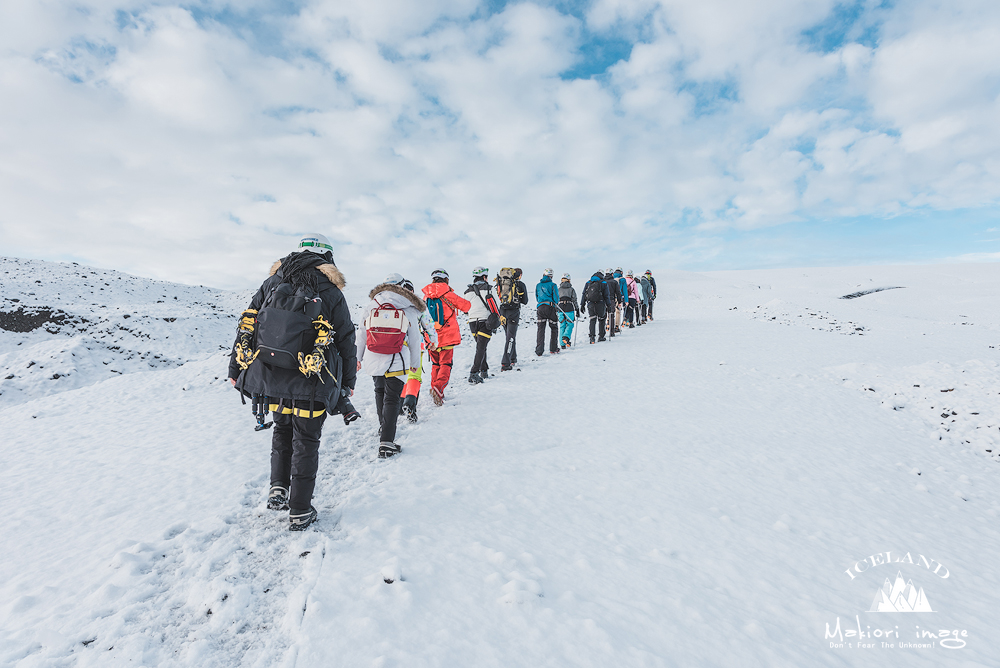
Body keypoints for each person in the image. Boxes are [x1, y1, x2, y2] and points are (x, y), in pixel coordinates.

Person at [228, 233, 357, 531]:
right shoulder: (331, 290)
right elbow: (346, 338)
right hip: (312, 379)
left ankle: (278, 488)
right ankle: (299, 510)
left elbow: (247, 322)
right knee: (307, 441)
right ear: (328, 258)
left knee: (282, 431)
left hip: (271, 376)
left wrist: (235, 368)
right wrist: (348, 380)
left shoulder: (272, 283)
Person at [357, 273, 425, 459]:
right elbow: (414, 339)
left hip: (374, 355)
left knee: (379, 391)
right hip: (398, 358)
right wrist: (414, 364)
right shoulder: (408, 307)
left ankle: (383, 428)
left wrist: (358, 357)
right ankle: (387, 443)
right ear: (402, 286)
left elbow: (362, 333)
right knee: (392, 398)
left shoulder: (372, 305)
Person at [421, 269, 471, 404]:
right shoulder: (449, 294)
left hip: (431, 336)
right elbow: (466, 306)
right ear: (446, 280)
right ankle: (438, 388)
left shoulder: (425, 296)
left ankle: (433, 387)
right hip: (447, 336)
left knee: (435, 364)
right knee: (446, 364)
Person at [398, 278, 438, 423]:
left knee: (400, 374)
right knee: (414, 375)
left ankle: (399, 404)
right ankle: (410, 402)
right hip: (416, 344)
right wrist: (433, 341)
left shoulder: (393, 303)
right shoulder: (418, 304)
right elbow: (428, 324)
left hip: (396, 345)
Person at [464, 266, 501, 383]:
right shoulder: (489, 288)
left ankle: (484, 370)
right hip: (485, 321)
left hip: (472, 322)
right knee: (481, 348)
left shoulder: (467, 291)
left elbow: (465, 308)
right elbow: (497, 304)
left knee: (481, 346)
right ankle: (473, 373)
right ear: (484, 277)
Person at [495, 268, 528, 371]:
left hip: (502, 311)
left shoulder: (502, 282)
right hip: (513, 311)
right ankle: (506, 363)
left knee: (509, 335)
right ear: (520, 275)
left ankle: (513, 357)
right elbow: (525, 301)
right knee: (511, 337)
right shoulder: (520, 284)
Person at [535, 268, 560, 355]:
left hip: (540, 307)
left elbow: (537, 297)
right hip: (550, 307)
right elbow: (556, 298)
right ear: (551, 276)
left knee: (540, 329)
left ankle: (539, 350)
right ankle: (553, 348)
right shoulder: (553, 285)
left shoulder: (538, 285)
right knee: (554, 327)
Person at [582, 270, 610, 343]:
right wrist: (608, 305)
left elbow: (584, 294)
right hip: (600, 303)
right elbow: (606, 295)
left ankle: (592, 337)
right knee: (601, 319)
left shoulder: (588, 283)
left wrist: (582, 304)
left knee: (592, 320)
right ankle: (601, 336)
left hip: (590, 303)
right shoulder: (603, 283)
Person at [557, 273, 580, 348]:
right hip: (569, 307)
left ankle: (562, 344)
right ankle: (566, 337)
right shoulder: (571, 289)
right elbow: (574, 300)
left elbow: (556, 300)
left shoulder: (558, 289)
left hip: (560, 307)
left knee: (562, 325)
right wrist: (577, 309)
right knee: (570, 324)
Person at [604, 270, 621, 338]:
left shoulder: (603, 281)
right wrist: (619, 301)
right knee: (611, 315)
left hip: (603, 300)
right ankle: (611, 332)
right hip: (611, 300)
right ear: (612, 274)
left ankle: (602, 332)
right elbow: (618, 292)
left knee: (603, 316)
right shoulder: (614, 282)